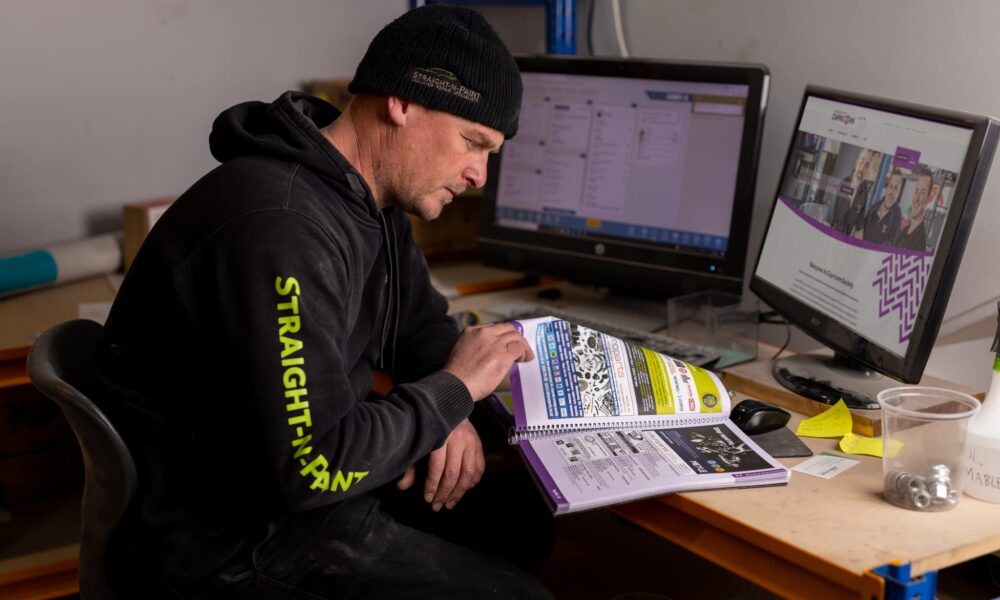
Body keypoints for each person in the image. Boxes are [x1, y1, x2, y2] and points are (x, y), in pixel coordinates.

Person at [94, 6, 555, 599]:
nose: (479, 176)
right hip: (226, 541)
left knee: (519, 518)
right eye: (473, 143)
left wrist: (452, 409)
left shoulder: (371, 200)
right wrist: (452, 393)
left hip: (291, 492)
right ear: (403, 103)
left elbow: (419, 327)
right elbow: (313, 466)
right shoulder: (281, 226)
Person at [830, 148, 875, 234]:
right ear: (857, 162)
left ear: (868, 169)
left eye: (866, 165)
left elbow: (859, 228)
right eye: (862, 161)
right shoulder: (842, 184)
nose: (862, 168)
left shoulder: (864, 194)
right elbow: (829, 217)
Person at [859, 167, 904, 245]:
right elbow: (861, 230)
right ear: (886, 188)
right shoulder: (874, 208)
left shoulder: (897, 215)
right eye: (890, 186)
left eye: (896, 188)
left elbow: (893, 245)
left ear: (899, 192)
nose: (892, 191)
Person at [895, 169, 934, 251]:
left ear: (928, 198)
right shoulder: (906, 228)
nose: (916, 198)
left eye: (922, 192)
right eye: (916, 191)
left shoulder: (919, 241)